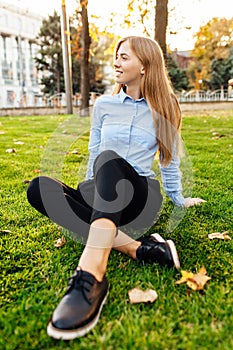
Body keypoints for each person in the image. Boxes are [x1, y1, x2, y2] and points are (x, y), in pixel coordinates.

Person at [27, 36, 205, 340]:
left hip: (139, 196)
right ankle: (141, 249)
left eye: (124, 57)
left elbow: (169, 162)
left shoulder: (165, 107)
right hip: (104, 191)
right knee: (38, 188)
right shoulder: (105, 105)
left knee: (111, 161)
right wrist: (87, 190)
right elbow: (94, 153)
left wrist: (179, 200)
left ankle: (92, 273)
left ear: (145, 66)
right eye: (116, 56)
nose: (116, 63)